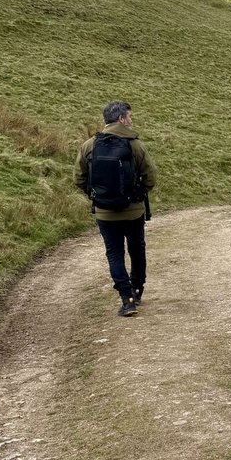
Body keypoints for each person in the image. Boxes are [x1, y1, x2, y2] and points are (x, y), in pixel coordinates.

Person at [74, 100, 157, 317]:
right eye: (129, 116)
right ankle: (137, 291)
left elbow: (79, 178)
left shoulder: (89, 145)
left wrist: (96, 196)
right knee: (137, 249)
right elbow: (150, 177)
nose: (131, 120)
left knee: (114, 254)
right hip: (134, 210)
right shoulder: (136, 145)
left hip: (104, 212)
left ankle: (126, 299)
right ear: (121, 118)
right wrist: (138, 194)